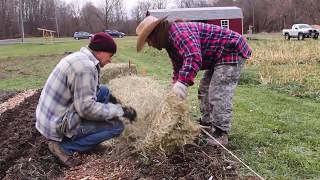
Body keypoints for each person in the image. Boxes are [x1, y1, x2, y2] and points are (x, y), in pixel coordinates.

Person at [136, 16, 252, 146]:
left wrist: (181, 85)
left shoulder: (178, 32)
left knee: (218, 92)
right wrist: (175, 88)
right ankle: (207, 123)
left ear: (155, 35)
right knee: (204, 90)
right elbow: (178, 67)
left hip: (230, 50)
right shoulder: (170, 42)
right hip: (217, 57)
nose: (150, 45)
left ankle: (221, 132)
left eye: (148, 41)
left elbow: (193, 57)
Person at [36, 32, 137, 167]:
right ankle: (65, 147)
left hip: (50, 117)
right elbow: (86, 109)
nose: (110, 61)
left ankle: (92, 136)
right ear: (101, 51)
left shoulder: (79, 57)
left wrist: (113, 102)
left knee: (105, 91)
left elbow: (92, 92)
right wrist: (120, 111)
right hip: (58, 125)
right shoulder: (86, 68)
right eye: (110, 55)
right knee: (117, 126)